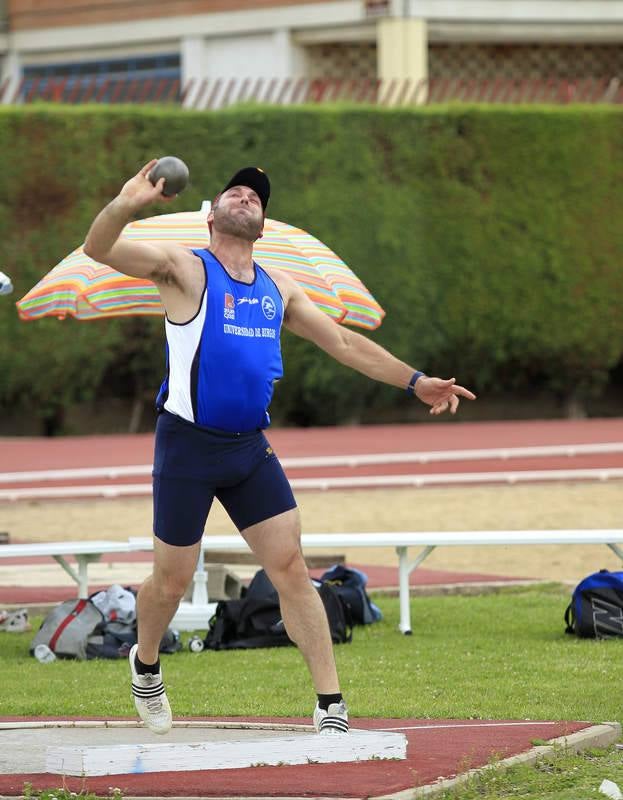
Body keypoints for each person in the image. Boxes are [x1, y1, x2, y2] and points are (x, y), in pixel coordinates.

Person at [84, 161, 476, 737]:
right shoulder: (184, 269)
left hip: (247, 450)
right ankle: (144, 663)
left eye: (256, 197)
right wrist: (126, 200)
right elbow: (99, 249)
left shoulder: (278, 289)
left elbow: (343, 342)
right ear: (212, 214)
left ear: (262, 223)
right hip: (187, 447)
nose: (246, 197)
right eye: (235, 192)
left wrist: (416, 382)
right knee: (170, 580)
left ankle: (330, 704)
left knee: (292, 566)